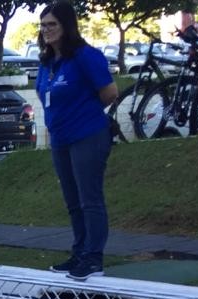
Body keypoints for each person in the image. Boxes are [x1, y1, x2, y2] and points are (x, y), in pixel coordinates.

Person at [37, 2, 119, 281]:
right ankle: (79, 251)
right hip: (60, 139)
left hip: (87, 135)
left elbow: (110, 92)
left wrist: (83, 112)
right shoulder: (47, 62)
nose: (46, 30)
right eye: (44, 25)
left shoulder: (85, 56)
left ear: (66, 26)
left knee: (89, 198)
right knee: (72, 200)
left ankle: (93, 257)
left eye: (52, 24)